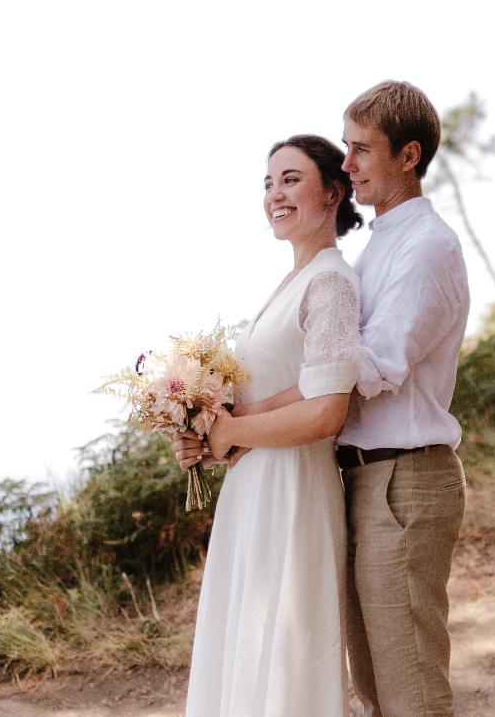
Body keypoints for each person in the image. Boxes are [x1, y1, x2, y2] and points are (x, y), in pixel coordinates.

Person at [178, 134, 365, 716]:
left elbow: (327, 409)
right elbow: (279, 393)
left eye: (290, 179)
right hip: (254, 485)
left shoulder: (330, 281)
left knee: (287, 647)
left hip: (293, 489)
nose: (274, 194)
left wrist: (231, 433)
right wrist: (204, 432)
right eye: (268, 183)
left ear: (334, 191)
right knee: (247, 640)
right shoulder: (293, 282)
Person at [336, 80, 469, 717]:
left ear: (408, 155)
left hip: (406, 481)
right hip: (366, 479)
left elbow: (378, 364)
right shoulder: (378, 243)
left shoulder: (428, 246)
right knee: (375, 690)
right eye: (345, 147)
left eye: (362, 149)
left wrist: (262, 400)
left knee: (411, 691)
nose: (347, 164)